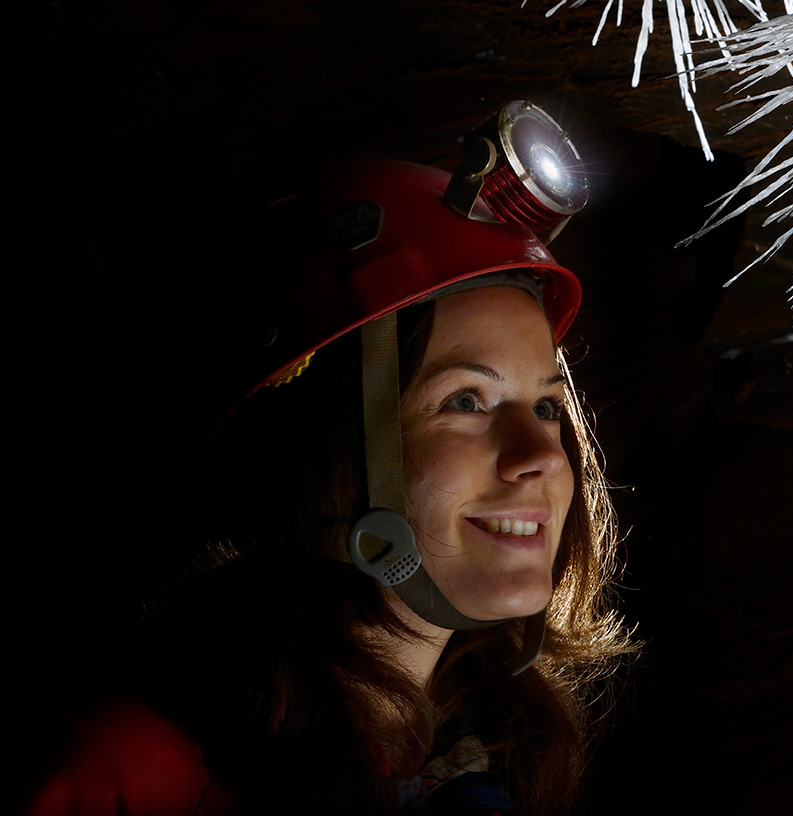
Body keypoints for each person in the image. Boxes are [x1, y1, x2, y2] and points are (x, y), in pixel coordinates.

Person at [27, 104, 634, 815]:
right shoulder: (133, 778)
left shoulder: (494, 758)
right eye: (467, 401)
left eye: (547, 407)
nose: (540, 459)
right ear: (328, 448)